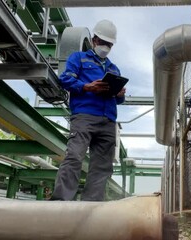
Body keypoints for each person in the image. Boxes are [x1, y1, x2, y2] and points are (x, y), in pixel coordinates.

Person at [51, 19, 126, 201]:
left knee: (102, 166)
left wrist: (120, 94)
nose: (105, 47)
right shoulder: (78, 58)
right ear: (94, 40)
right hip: (84, 116)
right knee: (75, 156)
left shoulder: (113, 69)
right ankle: (61, 201)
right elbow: (65, 79)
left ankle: (91, 205)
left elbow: (120, 100)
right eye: (102, 42)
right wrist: (87, 87)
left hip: (108, 120)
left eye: (109, 44)